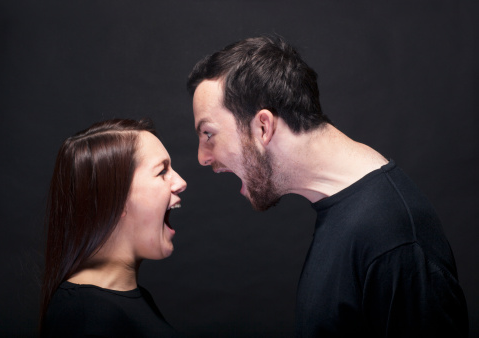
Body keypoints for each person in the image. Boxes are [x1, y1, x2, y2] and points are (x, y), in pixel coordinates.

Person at [187, 36, 469, 337]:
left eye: (208, 134)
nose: (203, 158)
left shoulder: (393, 236)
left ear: (262, 127)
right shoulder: (343, 212)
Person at [40, 118, 186, 337]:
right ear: (113, 200)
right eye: (162, 171)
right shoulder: (84, 315)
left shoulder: (131, 299)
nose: (181, 182)